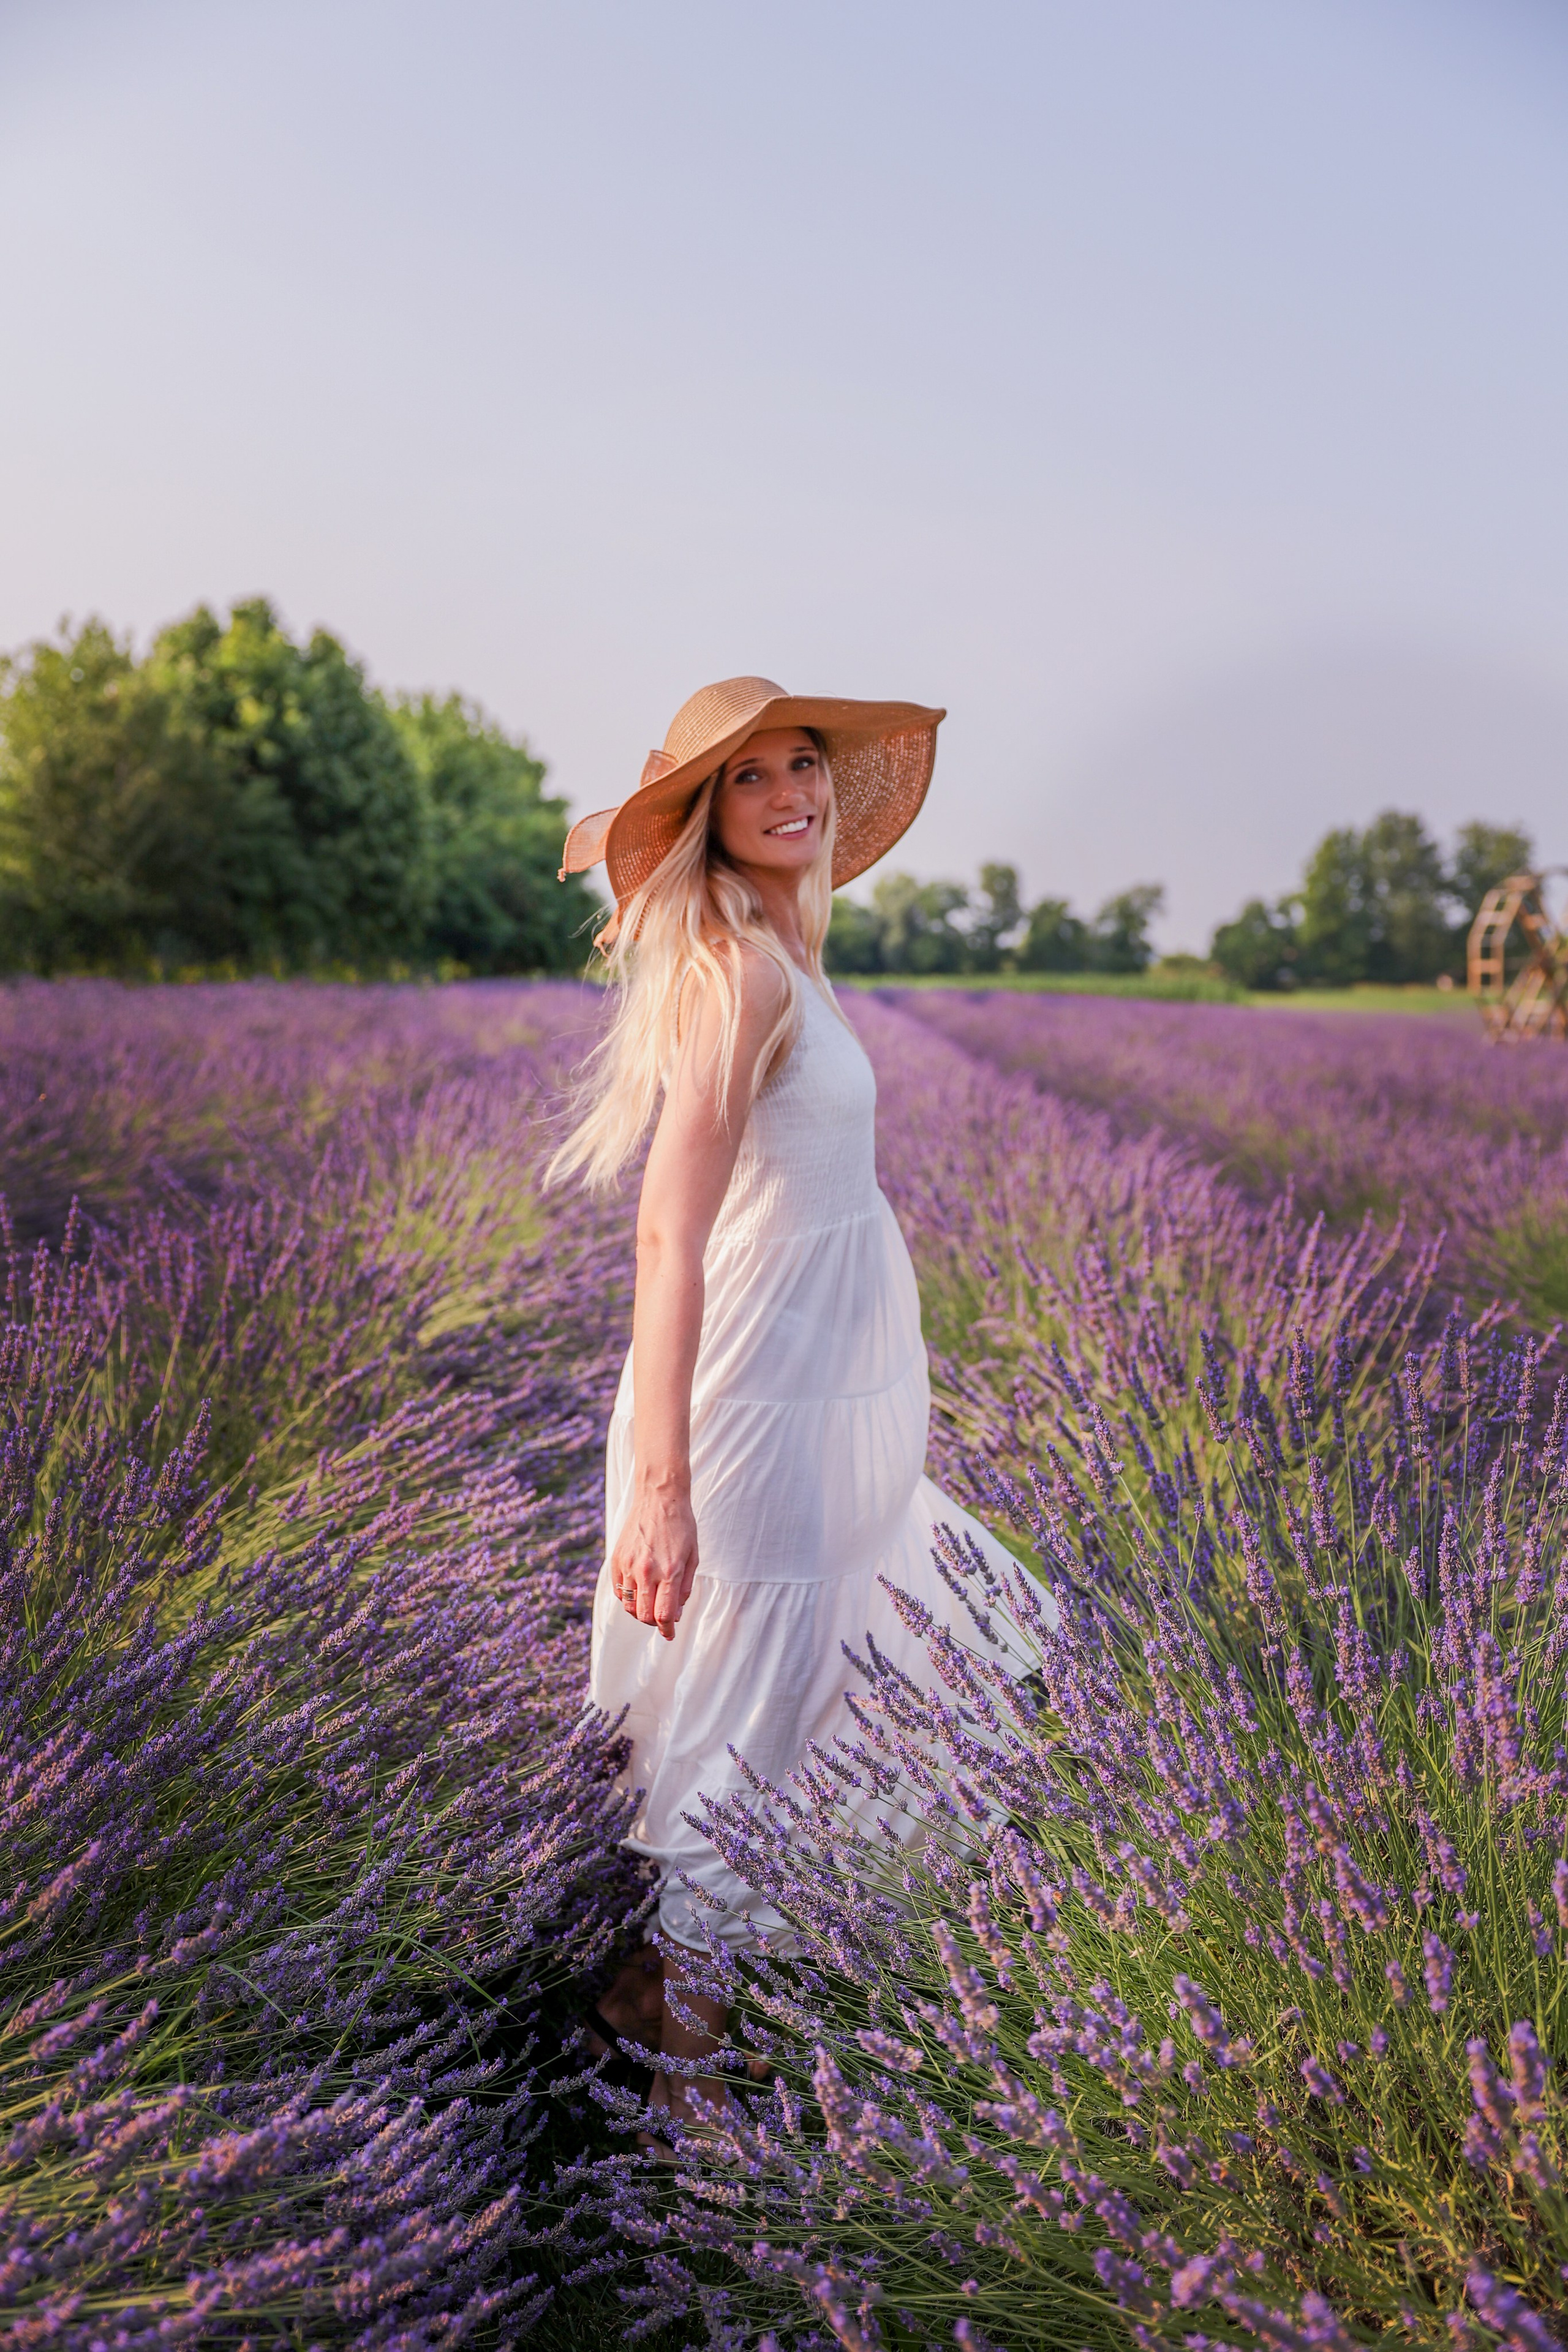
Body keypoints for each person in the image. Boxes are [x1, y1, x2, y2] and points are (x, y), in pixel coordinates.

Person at [548, 677, 1046, 2132]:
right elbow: (665, 1231)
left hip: (823, 1393)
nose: (791, 794)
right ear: (709, 811)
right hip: (756, 1399)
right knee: (751, 1722)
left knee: (851, 1677)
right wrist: (657, 1482)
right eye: (753, 775)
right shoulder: (735, 971)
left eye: (804, 765)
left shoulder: (787, 949)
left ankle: (646, 2001)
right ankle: (686, 2099)